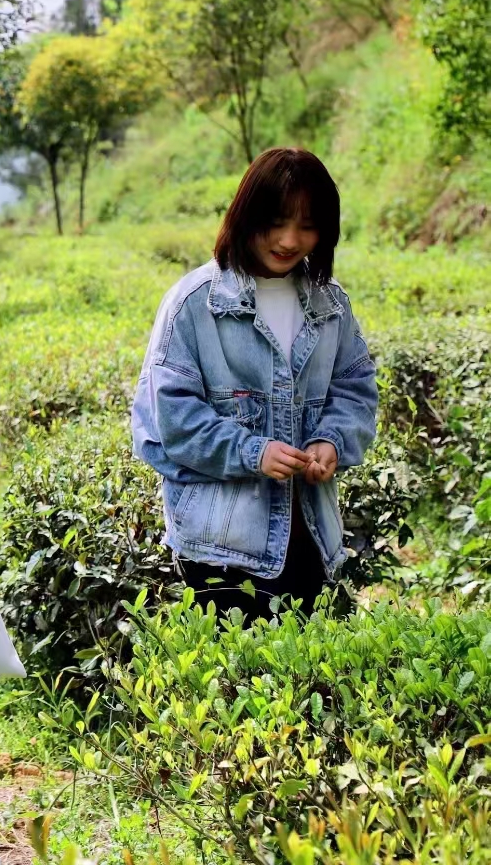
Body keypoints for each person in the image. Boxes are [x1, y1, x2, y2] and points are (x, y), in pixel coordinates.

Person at [131, 147, 379, 621]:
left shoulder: (332, 305)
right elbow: (171, 420)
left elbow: (355, 389)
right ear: (246, 215)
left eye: (308, 226)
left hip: (311, 537)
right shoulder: (194, 303)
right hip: (221, 547)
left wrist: (332, 440)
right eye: (277, 221)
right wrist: (253, 452)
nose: (290, 240)